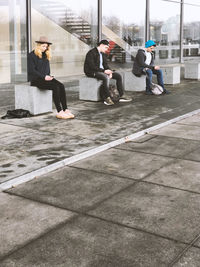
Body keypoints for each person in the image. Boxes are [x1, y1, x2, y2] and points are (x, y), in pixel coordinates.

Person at [28, 36, 74, 119]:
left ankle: (65, 109)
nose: (45, 48)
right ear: (38, 45)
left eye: (46, 46)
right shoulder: (31, 55)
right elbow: (32, 70)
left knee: (61, 85)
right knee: (55, 87)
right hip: (36, 80)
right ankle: (59, 111)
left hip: (46, 78)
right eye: (43, 46)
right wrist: (43, 77)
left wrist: (48, 76)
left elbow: (46, 69)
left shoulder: (46, 55)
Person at [84, 39, 132, 105]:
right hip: (91, 71)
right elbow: (92, 66)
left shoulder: (103, 54)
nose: (107, 49)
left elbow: (105, 65)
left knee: (118, 76)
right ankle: (107, 98)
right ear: (101, 45)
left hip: (101, 71)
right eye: (106, 47)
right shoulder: (91, 53)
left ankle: (121, 95)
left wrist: (110, 72)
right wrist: (104, 71)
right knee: (104, 77)